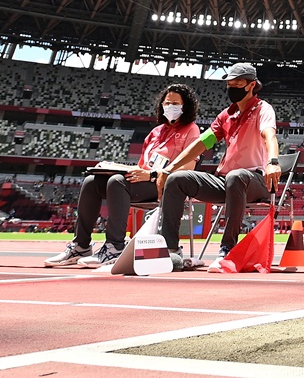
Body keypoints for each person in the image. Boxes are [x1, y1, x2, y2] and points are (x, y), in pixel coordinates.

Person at [44, 84, 202, 268]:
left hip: (166, 185)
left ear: (186, 106)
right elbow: (142, 166)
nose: (170, 106)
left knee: (117, 182)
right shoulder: (156, 132)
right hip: (144, 181)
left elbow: (189, 166)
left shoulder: (191, 130)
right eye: (167, 102)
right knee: (91, 182)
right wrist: (115, 166)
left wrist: (152, 174)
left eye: (175, 103)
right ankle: (81, 245)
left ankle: (115, 246)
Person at [155, 63, 282, 270]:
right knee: (177, 179)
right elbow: (199, 145)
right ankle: (169, 249)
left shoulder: (263, 109)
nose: (232, 87)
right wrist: (169, 169)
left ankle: (228, 250)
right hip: (225, 181)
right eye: (229, 83)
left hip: (256, 180)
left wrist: (273, 162)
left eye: (237, 83)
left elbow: (270, 135)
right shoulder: (226, 115)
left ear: (251, 85)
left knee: (236, 176)